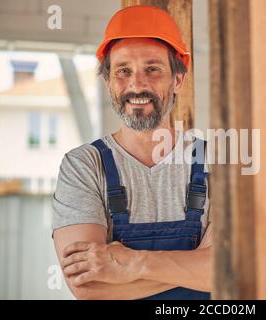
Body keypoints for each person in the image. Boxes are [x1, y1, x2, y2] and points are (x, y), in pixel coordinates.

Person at [52, 5, 211, 300]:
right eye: (123, 71)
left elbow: (229, 267)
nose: (137, 84)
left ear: (178, 80)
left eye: (152, 69)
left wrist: (132, 263)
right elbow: (88, 287)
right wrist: (196, 267)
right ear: (108, 81)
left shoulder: (216, 162)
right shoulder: (83, 166)